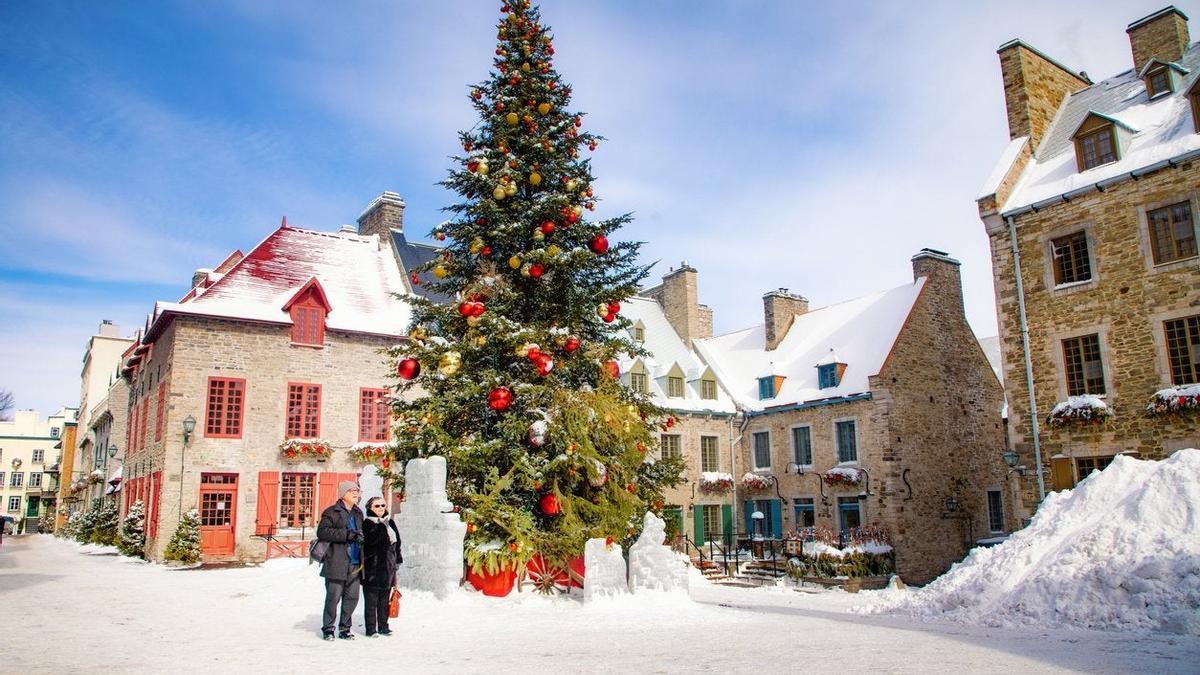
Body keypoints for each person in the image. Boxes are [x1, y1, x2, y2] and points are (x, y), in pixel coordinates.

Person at [317, 481, 364, 640]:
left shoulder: (358, 513)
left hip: (355, 561)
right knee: (333, 597)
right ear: (343, 493)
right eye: (351, 491)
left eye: (357, 490)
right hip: (337, 561)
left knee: (352, 597)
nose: (355, 493)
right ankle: (328, 628)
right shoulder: (332, 512)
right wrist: (346, 535)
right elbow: (322, 532)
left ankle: (345, 628)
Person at [361, 496, 402, 637]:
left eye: (383, 506)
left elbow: (398, 543)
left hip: (388, 566)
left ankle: (384, 626)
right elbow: (370, 542)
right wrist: (381, 526)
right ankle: (371, 628)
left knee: (384, 599)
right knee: (371, 600)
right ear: (370, 508)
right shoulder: (367, 523)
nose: (380, 509)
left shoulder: (389, 522)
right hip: (372, 567)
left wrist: (398, 559)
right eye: (377, 506)